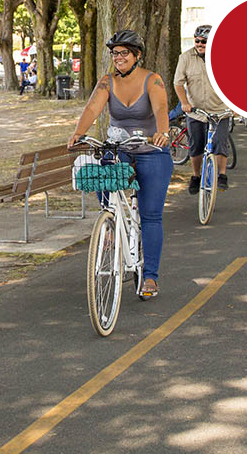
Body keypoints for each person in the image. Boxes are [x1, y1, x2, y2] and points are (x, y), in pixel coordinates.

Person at [67, 30, 171, 300]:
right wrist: (79, 132)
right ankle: (110, 219)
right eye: (115, 53)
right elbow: (92, 108)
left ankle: (150, 276)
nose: (119, 57)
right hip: (121, 148)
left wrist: (162, 132)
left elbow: (161, 108)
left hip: (151, 149)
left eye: (124, 53)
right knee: (103, 171)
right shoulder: (107, 82)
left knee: (150, 215)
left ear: (137, 56)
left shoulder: (152, 80)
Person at [174, 24, 232, 193]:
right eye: (197, 40)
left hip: (219, 109)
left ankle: (222, 175)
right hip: (196, 111)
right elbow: (178, 83)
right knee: (196, 146)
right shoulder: (185, 58)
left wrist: (234, 106)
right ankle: (196, 176)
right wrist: (184, 103)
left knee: (220, 144)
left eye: (204, 41)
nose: (199, 44)